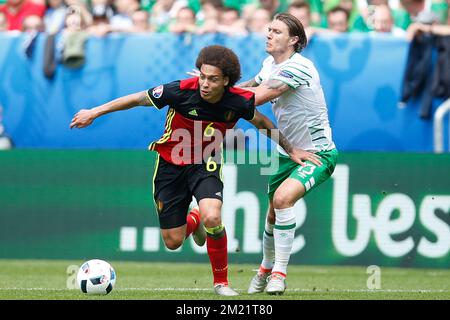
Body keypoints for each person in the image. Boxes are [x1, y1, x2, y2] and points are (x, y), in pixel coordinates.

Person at [70, 45, 308, 296]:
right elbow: (136, 99)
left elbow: (262, 122)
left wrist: (291, 150)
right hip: (169, 165)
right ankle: (194, 219)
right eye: (202, 76)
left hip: (206, 163)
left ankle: (221, 283)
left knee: (213, 217)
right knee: (173, 242)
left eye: (212, 79)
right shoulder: (180, 90)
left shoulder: (238, 101)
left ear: (226, 81)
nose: (204, 83)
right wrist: (94, 112)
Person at [239, 13, 338, 295]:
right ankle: (264, 268)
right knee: (272, 213)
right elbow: (251, 85)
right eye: (268, 29)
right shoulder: (271, 63)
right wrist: (214, 86)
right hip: (287, 153)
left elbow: (260, 96)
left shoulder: (300, 67)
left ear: (293, 40)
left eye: (276, 31)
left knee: (282, 200)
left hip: (318, 154)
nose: (268, 34)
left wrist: (215, 94)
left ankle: (278, 275)